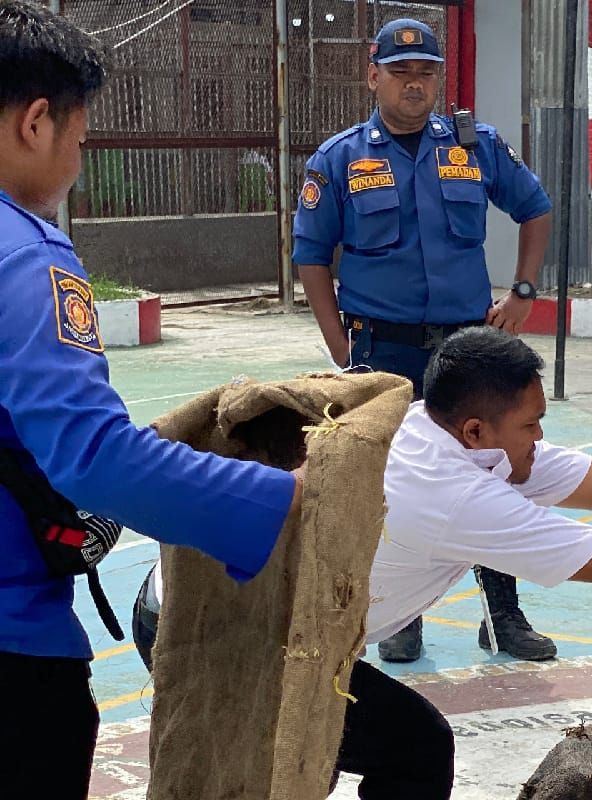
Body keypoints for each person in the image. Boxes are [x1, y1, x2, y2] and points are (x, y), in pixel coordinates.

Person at [133, 328, 592, 799]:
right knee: (381, 754)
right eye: (532, 425)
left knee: (399, 749)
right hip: (219, 623)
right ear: (477, 429)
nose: (541, 440)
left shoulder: (448, 433)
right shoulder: (447, 490)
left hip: (263, 609)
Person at [0, 4, 301, 798]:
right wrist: (282, 501)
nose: (77, 155)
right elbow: (93, 457)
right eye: (79, 137)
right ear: (37, 122)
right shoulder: (25, 257)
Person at [294, 18, 556, 663]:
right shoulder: (341, 158)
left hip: (468, 349)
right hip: (382, 349)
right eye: (402, 72)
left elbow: (536, 207)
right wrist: (338, 346)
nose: (416, 85)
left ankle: (504, 616)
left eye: (427, 73)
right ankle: (400, 616)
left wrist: (523, 292)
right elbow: (311, 256)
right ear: (373, 75)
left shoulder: (475, 145)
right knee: (386, 483)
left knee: (490, 471)